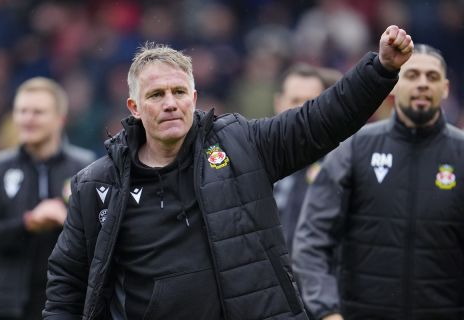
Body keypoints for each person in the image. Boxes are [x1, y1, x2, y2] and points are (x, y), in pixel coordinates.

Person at [43, 25, 413, 320]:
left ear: (194, 96)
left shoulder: (242, 145)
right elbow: (66, 281)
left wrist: (379, 69)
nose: (170, 103)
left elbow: (318, 121)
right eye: (156, 95)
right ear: (134, 107)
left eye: (179, 92)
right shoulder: (97, 184)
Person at [292, 44, 464, 320]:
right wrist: (327, 310)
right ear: (393, 87)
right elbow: (312, 239)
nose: (422, 84)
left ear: (445, 89)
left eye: (431, 78)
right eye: (412, 75)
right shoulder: (356, 148)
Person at [0, 77, 95, 319]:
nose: (28, 119)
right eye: (22, 111)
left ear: (60, 118)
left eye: (38, 112)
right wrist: (28, 223)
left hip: (68, 303)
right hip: (9, 305)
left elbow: (101, 234)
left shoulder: (85, 168)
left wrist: (68, 220)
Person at [273, 63, 342, 253]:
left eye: (310, 102)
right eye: (295, 100)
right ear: (278, 103)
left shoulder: (342, 163)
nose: (301, 110)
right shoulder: (256, 160)